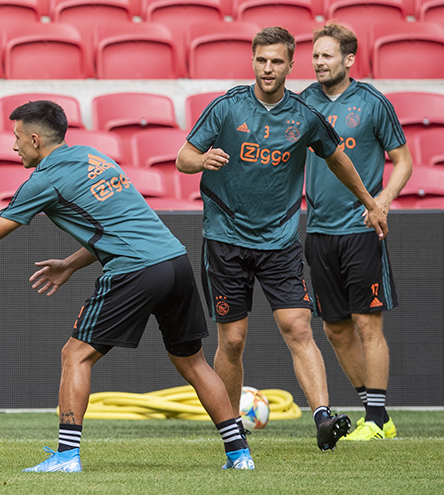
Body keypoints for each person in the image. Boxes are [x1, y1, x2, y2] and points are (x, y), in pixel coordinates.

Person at [0, 100, 255, 472]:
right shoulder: (93, 156)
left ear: (34, 139)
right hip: (174, 260)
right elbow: (117, 223)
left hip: (134, 269)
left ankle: (66, 457)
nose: (14, 147)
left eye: (17, 138)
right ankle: (240, 455)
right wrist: (69, 264)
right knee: (192, 362)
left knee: (75, 354)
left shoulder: (45, 179)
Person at [176, 26, 388, 452]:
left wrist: (370, 201)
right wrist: (202, 159)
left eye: (276, 61)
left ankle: (324, 418)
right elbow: (183, 157)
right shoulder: (225, 108)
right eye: (261, 60)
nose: (268, 68)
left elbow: (339, 159)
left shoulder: (306, 118)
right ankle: (233, 433)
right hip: (225, 240)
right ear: (252, 61)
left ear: (291, 65)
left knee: (298, 326)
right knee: (232, 341)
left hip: (279, 242)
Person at [300, 23, 411, 441]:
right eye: (315, 56)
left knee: (368, 324)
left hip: (361, 229)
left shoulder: (372, 103)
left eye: (326, 56)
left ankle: (379, 420)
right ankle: (371, 411)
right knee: (334, 327)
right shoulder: (303, 103)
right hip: (319, 231)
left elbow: (404, 161)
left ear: (348, 60)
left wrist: (381, 201)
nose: (319, 62)